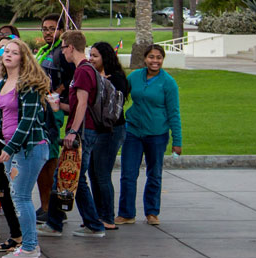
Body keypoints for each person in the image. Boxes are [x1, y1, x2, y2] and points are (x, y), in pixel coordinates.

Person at [0, 38, 51, 258]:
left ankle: (29, 247)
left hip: (29, 148)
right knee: (18, 198)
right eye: (6, 51)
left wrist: (11, 147)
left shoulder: (28, 85)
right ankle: (27, 244)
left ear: (23, 58)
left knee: (22, 197)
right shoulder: (4, 81)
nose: (8, 55)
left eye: (14, 52)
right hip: (12, 148)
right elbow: (3, 118)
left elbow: (27, 121)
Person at [38, 30, 106, 238]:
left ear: (71, 47)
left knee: (68, 177)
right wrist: (59, 106)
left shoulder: (82, 71)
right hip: (85, 130)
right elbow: (77, 105)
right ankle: (84, 224)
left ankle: (66, 224)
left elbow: (84, 103)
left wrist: (73, 131)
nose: (62, 52)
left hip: (83, 132)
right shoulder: (85, 70)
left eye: (64, 47)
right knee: (73, 178)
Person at [116, 44, 181, 226]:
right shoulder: (135, 77)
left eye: (158, 57)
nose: (155, 61)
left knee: (154, 174)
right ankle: (126, 213)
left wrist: (177, 141)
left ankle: (152, 212)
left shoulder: (168, 83)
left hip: (157, 134)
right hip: (133, 131)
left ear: (163, 59)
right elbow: (119, 95)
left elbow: (174, 113)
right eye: (151, 57)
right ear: (145, 59)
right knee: (128, 174)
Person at [34, 15, 74, 223]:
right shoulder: (45, 51)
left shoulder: (62, 52)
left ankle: (52, 208)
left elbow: (71, 78)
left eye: (52, 28)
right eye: (45, 29)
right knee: (41, 161)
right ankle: (45, 205)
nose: (48, 32)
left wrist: (55, 93)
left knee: (49, 158)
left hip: (52, 111)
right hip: (41, 109)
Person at [87, 42, 129, 230]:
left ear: (105, 57)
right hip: (96, 130)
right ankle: (97, 214)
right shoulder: (95, 76)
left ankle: (107, 217)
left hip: (111, 130)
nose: (91, 59)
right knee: (93, 173)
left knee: (102, 174)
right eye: (90, 55)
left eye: (95, 56)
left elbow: (113, 105)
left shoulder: (117, 78)